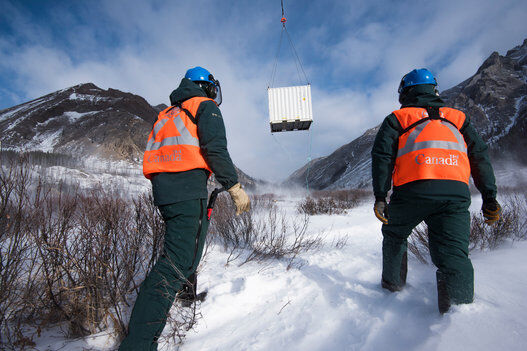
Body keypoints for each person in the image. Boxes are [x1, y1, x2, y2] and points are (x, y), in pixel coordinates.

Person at [120, 66, 251, 350]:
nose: (214, 94)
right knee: (174, 264)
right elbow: (215, 148)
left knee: (185, 253)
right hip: (187, 191)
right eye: (212, 88)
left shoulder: (168, 113)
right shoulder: (204, 107)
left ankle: (185, 294)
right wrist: (234, 186)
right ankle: (137, 344)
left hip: (165, 192)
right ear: (205, 86)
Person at [371, 68, 501, 313]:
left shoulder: (398, 119)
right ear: (435, 90)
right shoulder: (458, 118)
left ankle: (392, 287)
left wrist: (380, 196)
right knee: (454, 254)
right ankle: (458, 313)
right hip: (454, 196)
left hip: (412, 193)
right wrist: (489, 197)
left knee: (395, 234)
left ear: (405, 92)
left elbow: (382, 157)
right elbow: (479, 157)